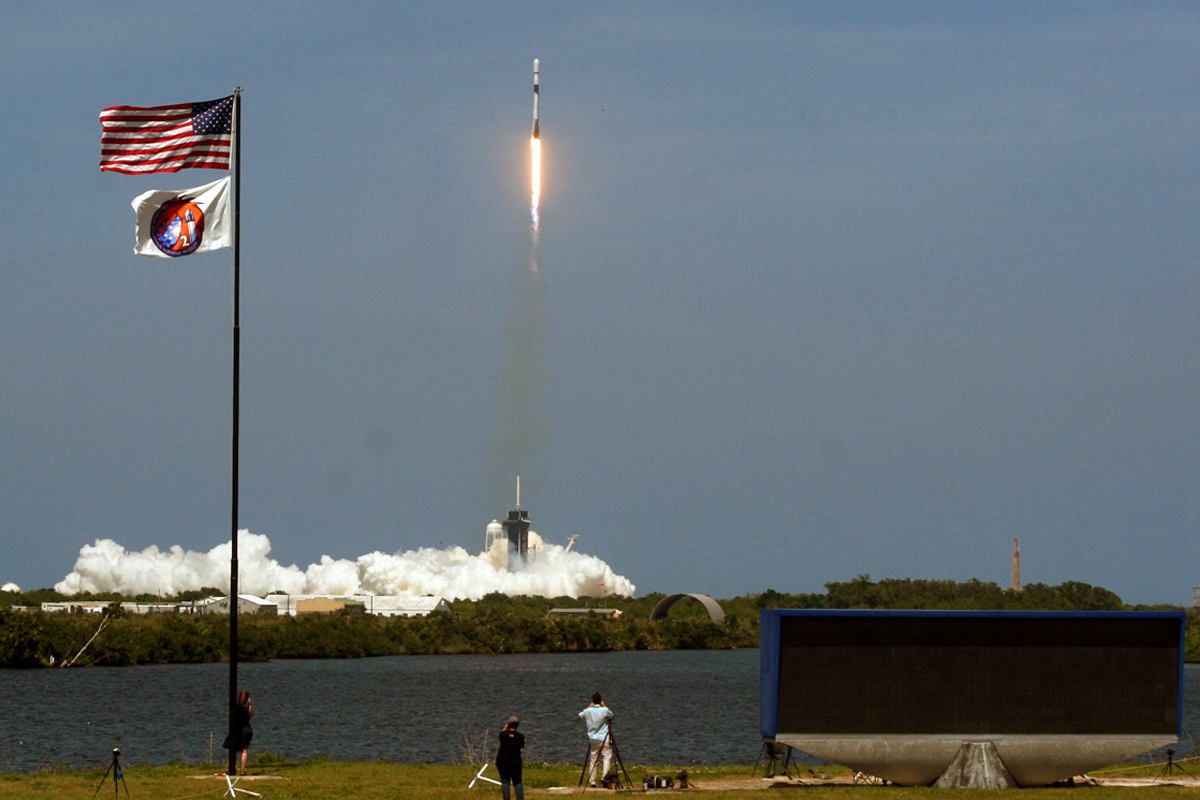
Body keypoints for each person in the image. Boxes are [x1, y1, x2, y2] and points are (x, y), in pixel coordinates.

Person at [578, 692, 614, 788]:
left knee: (593, 760)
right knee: (606, 757)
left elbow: (579, 716)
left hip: (593, 739)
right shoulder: (605, 710)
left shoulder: (587, 711)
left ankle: (592, 782)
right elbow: (612, 715)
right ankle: (605, 778)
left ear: (592, 701)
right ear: (600, 700)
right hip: (604, 737)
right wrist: (604, 705)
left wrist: (589, 706)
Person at [222, 690, 255, 775]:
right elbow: (251, 715)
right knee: (244, 750)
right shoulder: (249, 708)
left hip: (237, 729)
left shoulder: (235, 707)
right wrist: (248, 704)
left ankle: (229, 768)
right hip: (247, 729)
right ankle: (242, 771)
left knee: (233, 750)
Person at [495, 716, 525, 800]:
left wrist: (506, 726)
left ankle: (506, 798)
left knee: (505, 781)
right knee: (517, 781)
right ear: (518, 725)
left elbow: (502, 731)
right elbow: (521, 746)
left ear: (508, 724)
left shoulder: (503, 735)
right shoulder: (520, 736)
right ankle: (520, 798)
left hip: (502, 761)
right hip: (515, 762)